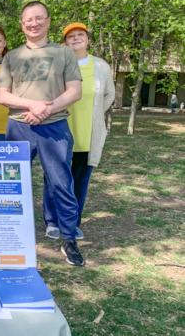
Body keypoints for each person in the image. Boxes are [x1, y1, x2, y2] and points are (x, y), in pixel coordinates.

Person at [0, 1, 84, 266]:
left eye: (38, 18)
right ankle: (7, 234)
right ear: (21, 25)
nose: (33, 23)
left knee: (61, 183)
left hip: (54, 128)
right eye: (28, 20)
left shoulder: (64, 53)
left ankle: (69, 238)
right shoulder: (12, 57)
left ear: (47, 20)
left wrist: (44, 110)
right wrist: (31, 106)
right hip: (19, 127)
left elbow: (74, 91)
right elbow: (3, 95)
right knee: (10, 185)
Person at [42, 23, 115, 240]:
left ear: (87, 39)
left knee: (79, 181)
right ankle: (53, 221)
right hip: (60, 131)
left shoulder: (100, 66)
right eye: (70, 36)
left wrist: (93, 116)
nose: (76, 39)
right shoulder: (58, 64)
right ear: (65, 42)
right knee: (54, 179)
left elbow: (109, 95)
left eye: (80, 35)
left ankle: (72, 222)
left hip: (88, 133)